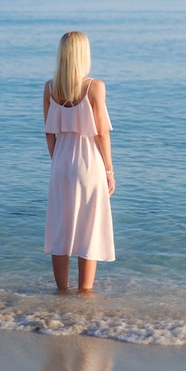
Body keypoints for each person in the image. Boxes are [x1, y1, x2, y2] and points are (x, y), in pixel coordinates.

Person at [43, 31, 115, 291]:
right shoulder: (94, 86)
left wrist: (58, 162)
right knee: (90, 228)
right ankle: (84, 293)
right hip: (88, 163)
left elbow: (49, 133)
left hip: (60, 163)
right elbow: (102, 133)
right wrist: (109, 169)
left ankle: (61, 291)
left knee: (61, 227)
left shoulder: (50, 88)